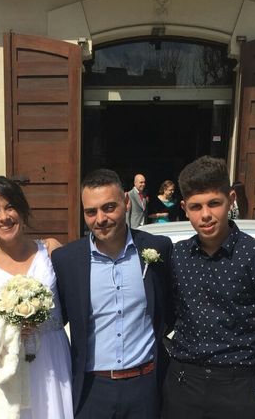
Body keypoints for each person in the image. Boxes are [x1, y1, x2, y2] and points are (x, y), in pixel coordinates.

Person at [163, 156, 255, 419]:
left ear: (231, 199)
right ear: (185, 208)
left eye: (214, 203)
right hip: (183, 385)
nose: (206, 215)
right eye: (196, 207)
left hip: (239, 388)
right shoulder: (177, 257)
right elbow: (163, 316)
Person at [52, 169, 173, 418]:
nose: (100, 219)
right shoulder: (67, 260)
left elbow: (169, 310)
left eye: (109, 207)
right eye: (91, 211)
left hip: (146, 386)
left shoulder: (157, 249)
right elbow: (55, 321)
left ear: (127, 203)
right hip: (92, 390)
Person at [0, 176, 73, 419]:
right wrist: (10, 326)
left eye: (10, 206)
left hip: (52, 358)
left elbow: (73, 303)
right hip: (8, 365)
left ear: (23, 211)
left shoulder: (51, 249)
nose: (3, 217)